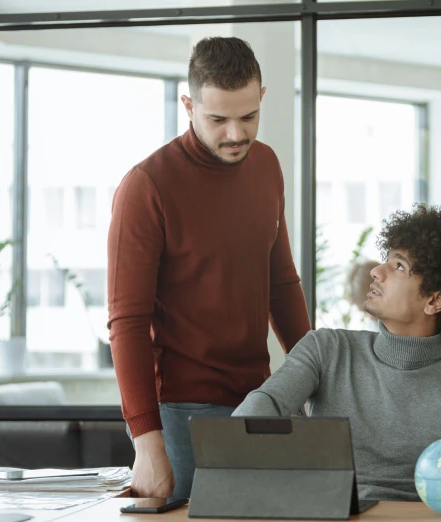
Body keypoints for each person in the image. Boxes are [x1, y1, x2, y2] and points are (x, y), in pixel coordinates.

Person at [107, 36, 311, 499]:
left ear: (262, 97)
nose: (236, 134)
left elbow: (281, 282)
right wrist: (146, 440)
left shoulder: (267, 166)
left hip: (259, 401)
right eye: (218, 119)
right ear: (189, 105)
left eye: (248, 117)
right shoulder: (147, 186)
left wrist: (311, 378)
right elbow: (128, 322)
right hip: (180, 410)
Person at [233, 204, 441, 504]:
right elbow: (265, 404)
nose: (376, 271)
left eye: (399, 266)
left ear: (435, 300)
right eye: (386, 260)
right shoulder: (326, 349)